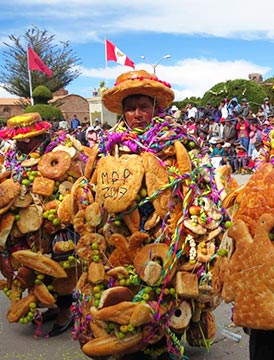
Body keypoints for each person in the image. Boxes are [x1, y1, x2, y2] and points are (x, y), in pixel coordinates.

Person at [74, 70, 231, 360]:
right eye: (131, 107)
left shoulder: (177, 143)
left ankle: (161, 344)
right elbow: (91, 193)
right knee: (122, 293)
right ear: (122, 110)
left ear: (155, 108)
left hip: (166, 232)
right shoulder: (107, 148)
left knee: (165, 293)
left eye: (143, 106)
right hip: (117, 234)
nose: (137, 113)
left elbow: (200, 186)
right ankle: (131, 343)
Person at [0, 113, 87, 337]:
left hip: (55, 222)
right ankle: (52, 304)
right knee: (34, 267)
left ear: (36, 136)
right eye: (17, 139)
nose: (19, 143)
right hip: (24, 223)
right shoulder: (12, 155)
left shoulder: (61, 149)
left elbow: (77, 182)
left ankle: (66, 310)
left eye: (23, 139)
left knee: (61, 266)